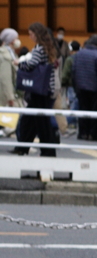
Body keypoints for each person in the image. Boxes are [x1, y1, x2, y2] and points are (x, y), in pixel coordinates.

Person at [13, 22, 59, 158]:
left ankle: (42, 151)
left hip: (39, 90)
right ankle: (25, 148)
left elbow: (32, 64)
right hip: (45, 89)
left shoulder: (39, 48)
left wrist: (19, 63)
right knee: (35, 120)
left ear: (36, 34)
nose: (30, 36)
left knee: (36, 121)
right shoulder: (47, 47)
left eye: (31, 34)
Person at [72, 35, 97, 142]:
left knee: (82, 109)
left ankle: (82, 133)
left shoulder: (78, 54)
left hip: (80, 87)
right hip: (94, 88)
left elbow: (73, 72)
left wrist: (75, 86)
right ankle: (92, 134)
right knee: (94, 112)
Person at [0, 27, 19, 108]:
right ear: (11, 40)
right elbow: (5, 77)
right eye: (16, 38)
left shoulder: (12, 53)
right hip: (5, 97)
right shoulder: (5, 55)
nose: (18, 41)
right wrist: (10, 97)